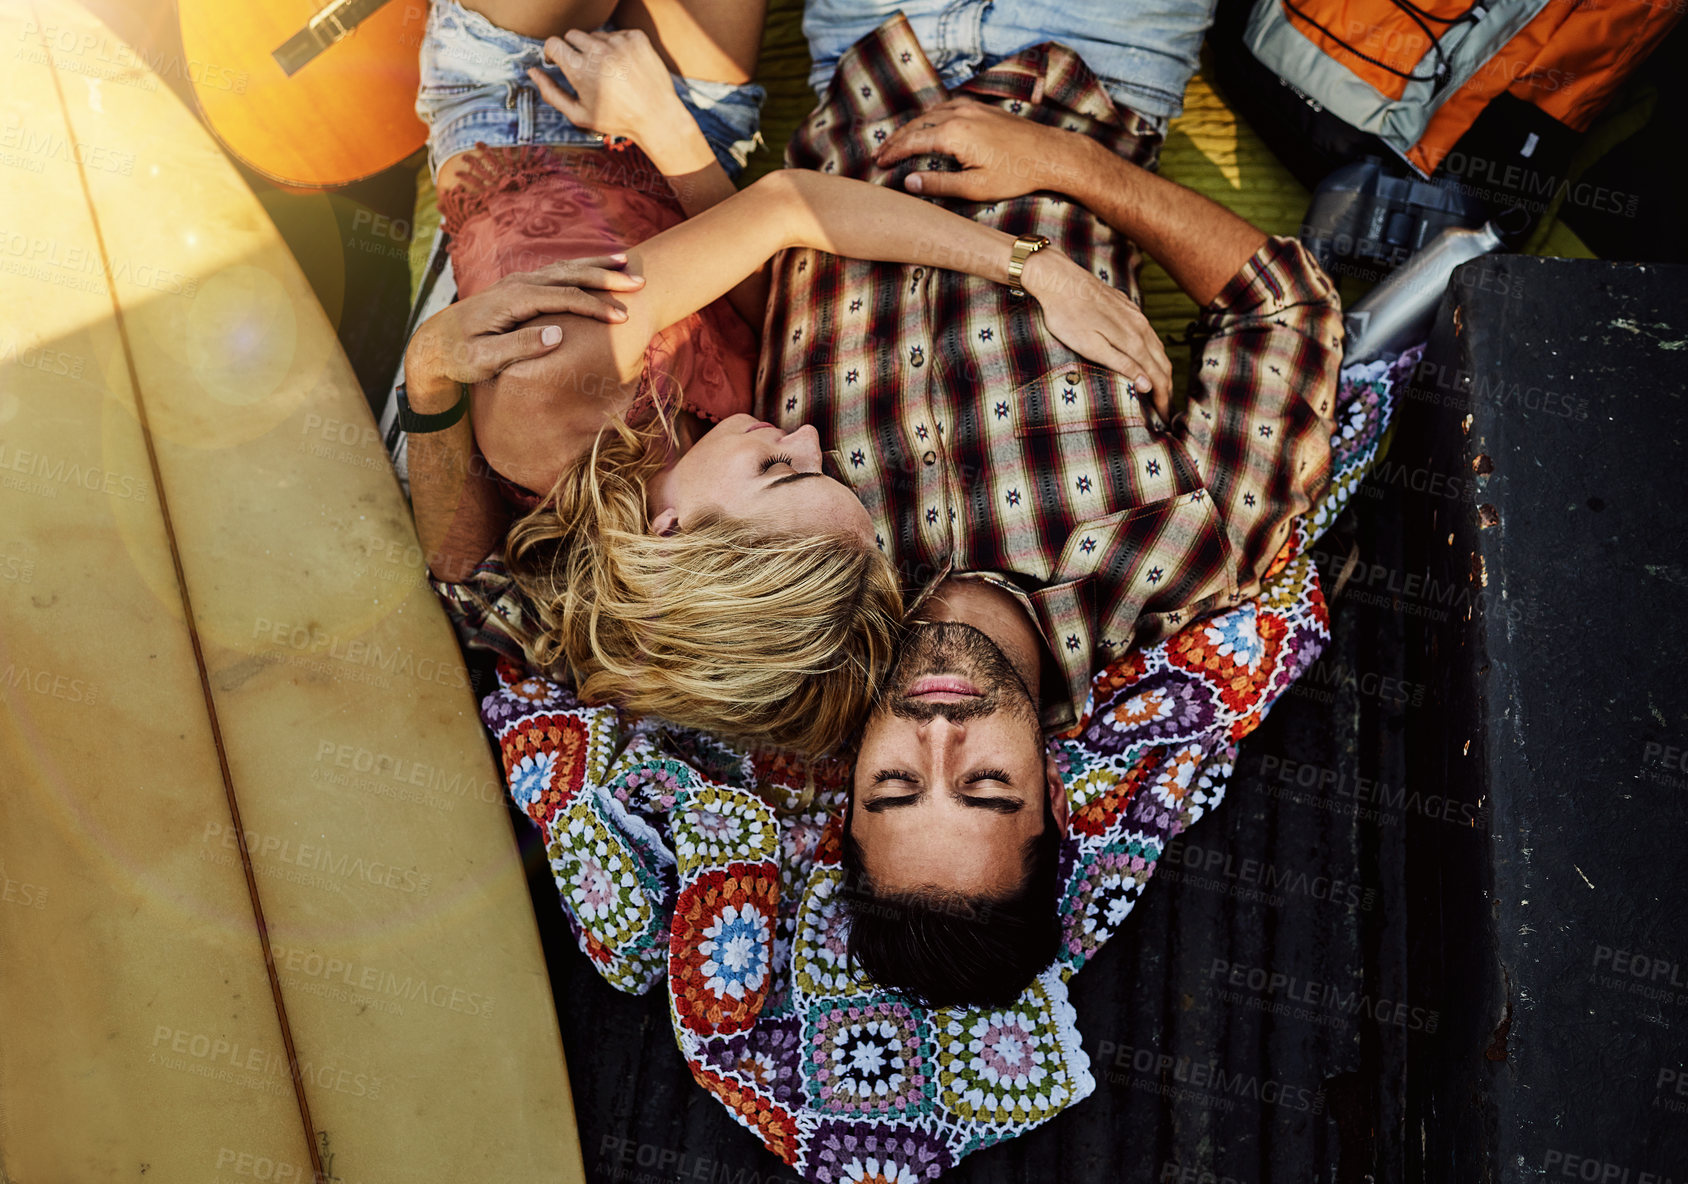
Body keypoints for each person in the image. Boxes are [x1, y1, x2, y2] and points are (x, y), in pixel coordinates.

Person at [461, 4, 1376, 1177]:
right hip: (1086, 51)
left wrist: (667, 137)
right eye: (984, 783)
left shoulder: (797, 573)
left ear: (845, 784)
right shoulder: (1183, 555)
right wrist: (1065, 170)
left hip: (867, 47)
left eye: (898, 781)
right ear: (1054, 795)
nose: (940, 729)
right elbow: (1285, 307)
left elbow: (775, 279)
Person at [403, 0, 1168, 755]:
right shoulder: (697, 475)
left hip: (520, 108)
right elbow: (760, 296)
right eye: (818, 466)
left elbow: (786, 209)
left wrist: (1032, 269)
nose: (804, 435)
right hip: (688, 134)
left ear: (671, 541)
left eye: (780, 469)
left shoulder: (559, 390)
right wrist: (668, 124)